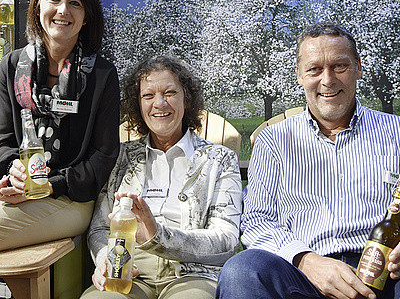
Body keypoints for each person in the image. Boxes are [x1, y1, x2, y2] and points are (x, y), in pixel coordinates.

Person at [216, 21, 400, 299]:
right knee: (242, 270)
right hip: (302, 275)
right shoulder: (274, 140)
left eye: (340, 66)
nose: (328, 80)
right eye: (315, 69)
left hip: (385, 273)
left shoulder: (396, 133)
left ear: (358, 68)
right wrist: (306, 260)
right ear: (300, 75)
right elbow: (256, 220)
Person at [80, 55, 242, 299]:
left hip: (192, 275)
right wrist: (104, 258)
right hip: (127, 269)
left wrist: (158, 236)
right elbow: (101, 227)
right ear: (138, 104)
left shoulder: (219, 160)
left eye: (170, 93)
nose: (159, 103)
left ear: (186, 99)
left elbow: (226, 240)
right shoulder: (120, 157)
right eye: (148, 96)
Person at [0, 0, 120, 250]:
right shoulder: (11, 67)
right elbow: (3, 140)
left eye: (75, 3)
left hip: (71, 198)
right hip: (17, 191)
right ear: (38, 5)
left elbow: (103, 156)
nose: (63, 10)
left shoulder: (102, 75)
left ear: (86, 16)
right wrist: (14, 172)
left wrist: (50, 185)